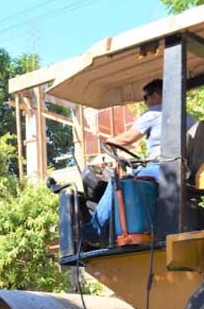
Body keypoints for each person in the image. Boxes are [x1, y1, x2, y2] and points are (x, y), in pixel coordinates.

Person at [83, 79, 196, 244]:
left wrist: (109, 142)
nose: (146, 102)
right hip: (182, 169)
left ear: (157, 95)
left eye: (146, 97)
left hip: (162, 168)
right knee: (133, 174)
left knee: (119, 182)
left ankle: (93, 232)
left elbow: (128, 138)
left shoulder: (154, 112)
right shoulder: (187, 116)